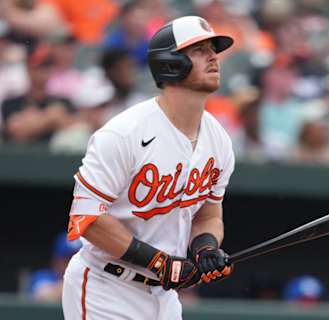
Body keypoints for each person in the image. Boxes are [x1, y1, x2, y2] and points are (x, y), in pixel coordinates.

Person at [62, 16, 235, 320]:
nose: (213, 56)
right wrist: (158, 262)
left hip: (164, 297)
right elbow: (87, 219)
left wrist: (206, 248)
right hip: (107, 286)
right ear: (170, 63)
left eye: (213, 49)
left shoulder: (218, 139)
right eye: (198, 49)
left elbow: (208, 214)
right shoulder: (124, 133)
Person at [28, 232, 82, 302]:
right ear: (57, 259)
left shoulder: (85, 278)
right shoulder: (42, 276)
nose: (74, 263)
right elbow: (43, 295)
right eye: (68, 258)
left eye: (77, 259)